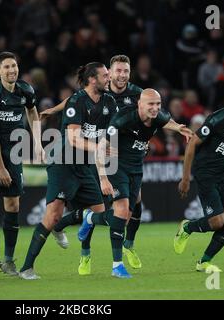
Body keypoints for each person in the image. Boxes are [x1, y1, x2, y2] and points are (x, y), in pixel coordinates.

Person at [41, 55, 146, 272]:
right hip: (90, 153)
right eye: (115, 71)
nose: (120, 75)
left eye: (125, 71)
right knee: (108, 207)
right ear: (110, 72)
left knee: (130, 205)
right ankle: (86, 254)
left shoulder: (136, 94)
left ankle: (126, 244)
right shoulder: (99, 92)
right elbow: (76, 99)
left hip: (111, 150)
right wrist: (55, 109)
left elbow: (155, 112)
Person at [78, 88, 193, 278]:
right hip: (115, 166)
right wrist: (103, 178)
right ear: (140, 104)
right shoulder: (122, 120)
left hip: (136, 169)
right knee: (122, 211)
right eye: (150, 104)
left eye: (158, 104)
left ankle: (89, 218)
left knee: (122, 217)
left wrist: (179, 128)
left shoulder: (158, 115)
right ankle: (117, 266)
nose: (155, 108)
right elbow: (101, 148)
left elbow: (167, 121)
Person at [18, 62, 117, 280]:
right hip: (63, 163)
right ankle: (26, 268)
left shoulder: (109, 101)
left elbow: (117, 128)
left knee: (101, 214)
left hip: (84, 165)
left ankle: (62, 225)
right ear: (93, 79)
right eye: (105, 75)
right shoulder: (78, 100)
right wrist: (98, 147)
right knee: (52, 215)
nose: (109, 78)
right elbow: (73, 138)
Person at [174, 84, 224, 272]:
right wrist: (185, 178)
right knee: (216, 222)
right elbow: (191, 145)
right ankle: (187, 228)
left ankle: (204, 261)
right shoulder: (218, 119)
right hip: (206, 173)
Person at [0, 52, 44, 275]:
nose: (11, 70)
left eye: (14, 66)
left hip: (14, 150)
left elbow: (34, 114)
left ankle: (8, 261)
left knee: (13, 205)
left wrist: (38, 143)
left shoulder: (26, 90)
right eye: (6, 67)